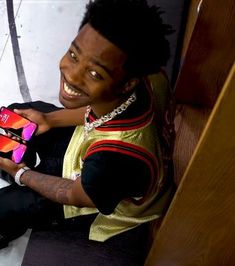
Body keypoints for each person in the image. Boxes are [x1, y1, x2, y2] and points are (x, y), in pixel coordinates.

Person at [0, 0, 175, 257]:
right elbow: (100, 110)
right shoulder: (146, 78)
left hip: (92, 193)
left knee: (10, 206)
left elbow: (74, 194)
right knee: (20, 117)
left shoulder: (114, 159)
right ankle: (18, 161)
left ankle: (17, 177)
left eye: (94, 74)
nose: (72, 75)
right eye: (73, 55)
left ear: (127, 84)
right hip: (92, 146)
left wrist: (22, 175)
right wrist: (49, 120)